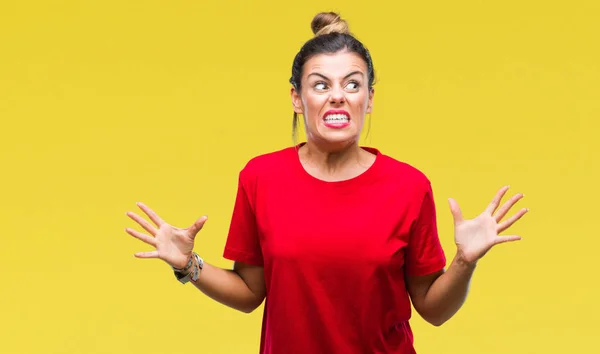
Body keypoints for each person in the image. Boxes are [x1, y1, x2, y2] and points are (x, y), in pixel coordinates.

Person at [124, 12, 528, 354]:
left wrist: (465, 261)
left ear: (369, 99)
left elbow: (433, 310)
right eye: (321, 85)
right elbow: (250, 293)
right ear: (297, 98)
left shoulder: (408, 186)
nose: (338, 96)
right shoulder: (260, 178)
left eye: (352, 84)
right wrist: (187, 266)